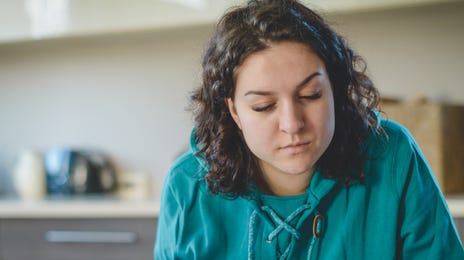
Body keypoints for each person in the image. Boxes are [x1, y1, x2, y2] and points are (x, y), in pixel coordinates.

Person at [154, 0, 464, 259]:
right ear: (234, 110)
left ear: (336, 89)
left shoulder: (392, 154)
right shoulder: (187, 184)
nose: (292, 124)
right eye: (263, 106)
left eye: (310, 95)